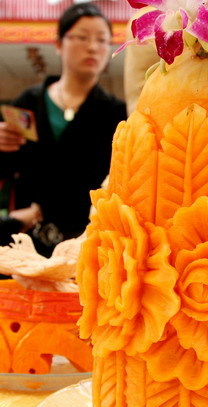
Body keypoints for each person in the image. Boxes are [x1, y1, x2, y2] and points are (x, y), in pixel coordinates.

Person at [0, 2, 127, 256]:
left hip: (88, 244)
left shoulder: (116, 113)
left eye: (102, 40)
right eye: (81, 37)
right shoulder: (29, 103)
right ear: (58, 44)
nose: (92, 47)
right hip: (28, 241)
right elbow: (7, 167)